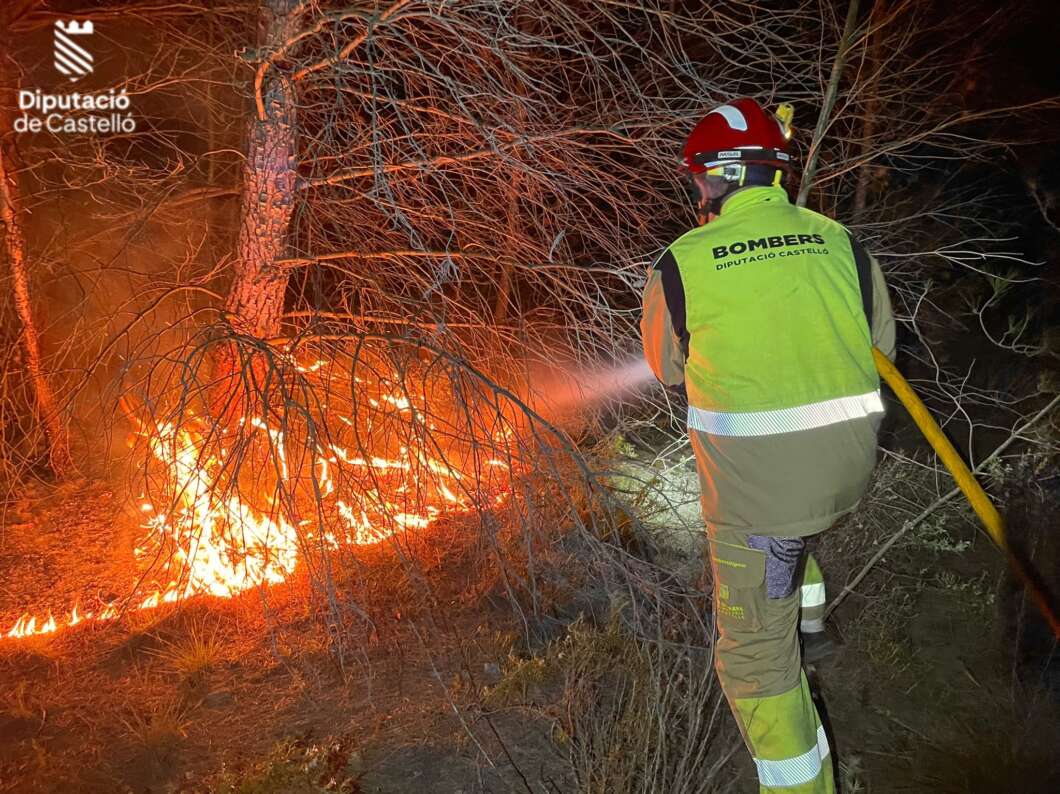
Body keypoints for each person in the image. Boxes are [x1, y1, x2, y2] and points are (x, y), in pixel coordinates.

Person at [640, 97, 895, 793]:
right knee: (789, 519)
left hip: (762, 498)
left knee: (753, 661)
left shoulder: (682, 261)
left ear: (718, 178)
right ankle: (812, 625)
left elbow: (665, 368)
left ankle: (800, 780)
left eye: (699, 180)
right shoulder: (841, 240)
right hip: (846, 472)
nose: (697, 193)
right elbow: (879, 346)